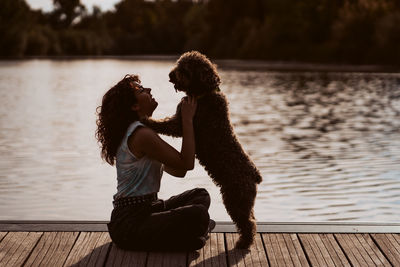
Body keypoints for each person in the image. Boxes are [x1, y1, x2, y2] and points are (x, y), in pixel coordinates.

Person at [96, 74, 214, 251]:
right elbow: (187, 164)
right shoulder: (141, 135)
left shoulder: (141, 132)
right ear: (134, 106)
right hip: (130, 223)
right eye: (142, 90)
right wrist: (188, 120)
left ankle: (191, 234)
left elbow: (180, 171)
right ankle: (192, 233)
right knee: (198, 214)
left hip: (150, 210)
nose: (149, 90)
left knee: (200, 195)